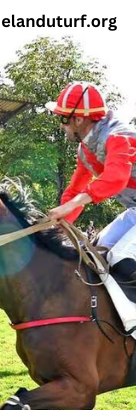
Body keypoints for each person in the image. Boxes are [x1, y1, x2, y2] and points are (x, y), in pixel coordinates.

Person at [45, 82, 136, 278]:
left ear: (77, 119)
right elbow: (75, 191)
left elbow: (116, 178)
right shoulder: (85, 150)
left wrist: (71, 206)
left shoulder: (119, 137)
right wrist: (59, 224)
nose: (61, 125)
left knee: (122, 258)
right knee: (96, 251)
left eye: (63, 118)